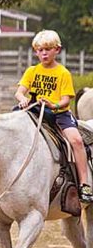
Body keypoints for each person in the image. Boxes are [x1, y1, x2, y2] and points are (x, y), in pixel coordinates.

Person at [15, 30, 93, 202]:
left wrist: (53, 105)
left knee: (77, 141)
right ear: (35, 51)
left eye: (48, 49)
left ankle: (84, 184)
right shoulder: (32, 71)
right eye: (40, 49)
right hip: (35, 110)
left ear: (57, 50)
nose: (44, 53)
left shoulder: (63, 73)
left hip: (59, 115)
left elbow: (65, 100)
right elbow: (19, 92)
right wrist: (23, 100)